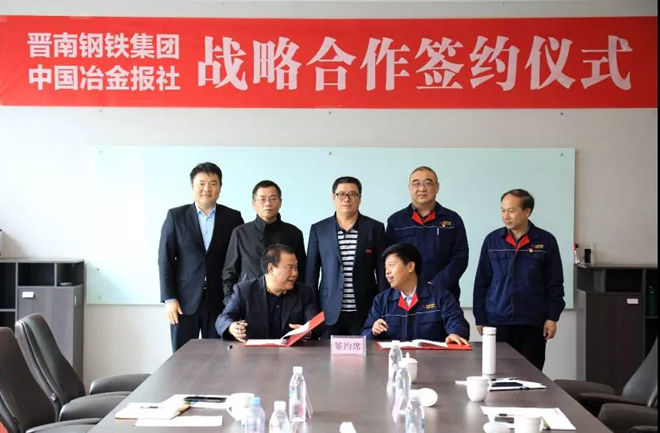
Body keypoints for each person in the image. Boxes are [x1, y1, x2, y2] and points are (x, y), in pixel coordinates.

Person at [473, 188, 565, 370]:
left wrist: (552, 317)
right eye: (502, 210)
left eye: (511, 211)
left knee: (531, 375)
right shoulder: (492, 240)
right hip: (497, 321)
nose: (505, 216)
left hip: (532, 322)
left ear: (527, 211)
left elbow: (554, 282)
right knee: (498, 374)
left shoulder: (546, 241)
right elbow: (481, 282)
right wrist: (480, 317)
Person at [158, 162, 244, 352]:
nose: (207, 189)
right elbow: (165, 259)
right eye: (201, 183)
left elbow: (238, 261)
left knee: (219, 356)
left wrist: (236, 300)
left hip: (220, 301)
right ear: (192, 186)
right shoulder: (176, 216)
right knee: (182, 357)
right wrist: (169, 298)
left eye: (213, 184)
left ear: (220, 187)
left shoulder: (233, 217)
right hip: (183, 301)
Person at [305, 176, 387, 336]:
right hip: (328, 310)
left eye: (352, 194)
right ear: (333, 197)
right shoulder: (319, 229)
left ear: (360, 198)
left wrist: (382, 309)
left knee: (366, 352)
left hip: (365, 310)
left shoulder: (374, 228)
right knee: (327, 352)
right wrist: (312, 313)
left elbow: (382, 272)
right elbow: (311, 274)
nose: (346, 199)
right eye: (341, 194)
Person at [386, 166, 468, 300]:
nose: (422, 188)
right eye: (416, 183)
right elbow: (391, 260)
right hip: (406, 295)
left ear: (437, 187)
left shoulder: (453, 220)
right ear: (409, 188)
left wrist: (436, 284)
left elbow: (460, 258)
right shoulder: (396, 221)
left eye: (428, 183)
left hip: (444, 294)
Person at [362, 243, 469, 344]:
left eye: (391, 265)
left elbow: (457, 322)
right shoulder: (381, 300)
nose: (387, 272)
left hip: (432, 357)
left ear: (410, 267)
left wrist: (456, 333)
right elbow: (365, 335)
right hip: (394, 356)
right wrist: (373, 332)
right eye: (386, 267)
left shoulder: (440, 296)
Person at [222, 180, 306, 305]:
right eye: (262, 199)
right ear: (253, 203)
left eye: (272, 199)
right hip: (248, 301)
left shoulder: (293, 233)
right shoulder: (240, 233)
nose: (267, 204)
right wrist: (231, 301)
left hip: (285, 302)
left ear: (280, 202)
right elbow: (229, 272)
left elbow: (302, 271)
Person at [216, 244, 319, 342]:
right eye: (289, 268)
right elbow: (223, 319)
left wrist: (307, 332)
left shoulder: (303, 292)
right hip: (254, 352)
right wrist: (231, 327)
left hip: (291, 352)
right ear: (271, 269)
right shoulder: (245, 291)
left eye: (296, 267)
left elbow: (316, 325)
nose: (295, 273)